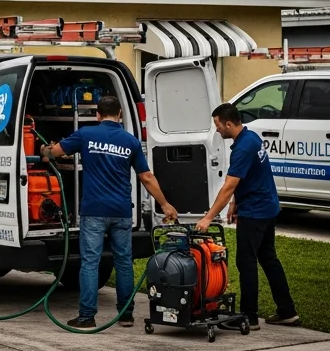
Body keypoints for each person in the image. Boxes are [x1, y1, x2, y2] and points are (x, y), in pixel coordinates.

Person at [41, 95, 178, 329]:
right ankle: (125, 314)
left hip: (94, 211)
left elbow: (55, 152)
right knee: (123, 262)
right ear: (120, 115)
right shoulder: (131, 141)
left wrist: (45, 150)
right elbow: (146, 176)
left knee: (90, 263)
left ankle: (86, 316)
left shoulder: (85, 135)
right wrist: (165, 204)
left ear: (97, 114)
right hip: (121, 211)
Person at [195, 103, 299, 328]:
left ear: (228, 124)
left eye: (218, 125)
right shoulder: (251, 137)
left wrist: (208, 217)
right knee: (269, 259)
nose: (217, 130)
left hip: (255, 212)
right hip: (268, 208)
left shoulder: (242, 149)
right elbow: (249, 178)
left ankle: (248, 316)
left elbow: (229, 186)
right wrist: (235, 203)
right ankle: (287, 311)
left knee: (246, 262)